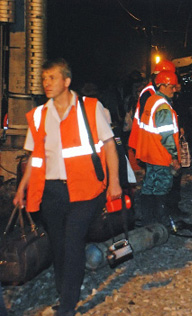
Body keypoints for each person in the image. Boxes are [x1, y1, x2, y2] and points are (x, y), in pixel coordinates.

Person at [12, 58, 122, 316]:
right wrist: (21, 189)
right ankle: (65, 291)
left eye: (51, 78)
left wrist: (114, 181)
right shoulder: (39, 115)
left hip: (86, 190)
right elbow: (33, 157)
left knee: (73, 241)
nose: (46, 83)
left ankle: (68, 305)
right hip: (52, 192)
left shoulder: (90, 108)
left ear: (66, 81)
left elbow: (109, 145)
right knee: (59, 244)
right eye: (44, 79)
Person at [134, 70, 181, 227]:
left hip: (149, 154)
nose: (174, 90)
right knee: (162, 188)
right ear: (165, 85)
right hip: (161, 156)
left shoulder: (151, 101)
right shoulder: (163, 107)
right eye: (172, 87)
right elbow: (167, 135)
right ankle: (161, 221)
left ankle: (148, 220)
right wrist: (174, 157)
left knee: (149, 186)